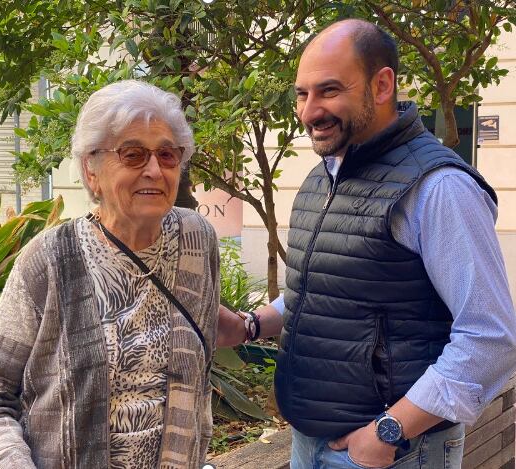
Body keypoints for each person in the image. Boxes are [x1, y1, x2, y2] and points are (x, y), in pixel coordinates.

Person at [218, 19, 516, 469]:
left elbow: (491, 337)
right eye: (302, 94)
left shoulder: (439, 188)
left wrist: (389, 431)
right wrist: (252, 325)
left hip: (393, 452)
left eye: (329, 91)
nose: (308, 111)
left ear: (381, 85)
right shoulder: (325, 177)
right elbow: (329, 290)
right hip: (310, 439)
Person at [0, 80, 220, 469]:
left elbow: (198, 373)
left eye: (167, 154)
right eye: (133, 154)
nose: (154, 169)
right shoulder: (48, 259)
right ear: (91, 169)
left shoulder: (197, 240)